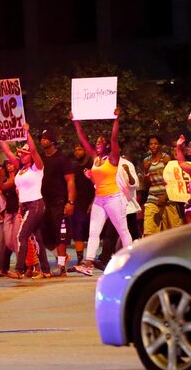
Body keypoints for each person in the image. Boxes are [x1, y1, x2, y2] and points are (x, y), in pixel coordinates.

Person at [72, 109, 133, 276]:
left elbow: (114, 138)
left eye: (100, 142)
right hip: (99, 198)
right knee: (93, 231)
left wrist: (116, 119)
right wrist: (76, 121)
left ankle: (131, 261)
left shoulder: (113, 158)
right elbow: (83, 139)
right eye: (96, 142)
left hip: (114, 198)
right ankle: (89, 263)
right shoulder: (95, 158)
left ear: (106, 145)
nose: (97, 143)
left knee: (123, 230)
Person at [0, 124, 51, 279]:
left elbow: (34, 150)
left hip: (35, 205)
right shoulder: (20, 169)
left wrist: (27, 132)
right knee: (37, 238)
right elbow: (7, 151)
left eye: (24, 154)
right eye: (20, 154)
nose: (21, 156)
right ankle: (45, 270)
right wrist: (0, 134)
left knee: (21, 236)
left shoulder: (37, 168)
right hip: (26, 206)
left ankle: (19, 270)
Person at [38, 129, 76, 276]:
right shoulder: (41, 159)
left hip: (60, 201)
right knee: (43, 235)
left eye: (45, 138)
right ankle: (62, 258)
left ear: (52, 141)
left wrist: (70, 201)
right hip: (44, 202)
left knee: (61, 235)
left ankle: (61, 267)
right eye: (41, 138)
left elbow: (70, 181)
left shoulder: (62, 159)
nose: (42, 140)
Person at [142, 135, 182, 235]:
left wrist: (165, 196)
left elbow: (172, 179)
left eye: (155, 143)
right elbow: (147, 185)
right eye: (151, 144)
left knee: (172, 230)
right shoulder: (146, 161)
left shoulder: (166, 158)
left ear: (159, 145)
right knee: (149, 231)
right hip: (152, 197)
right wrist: (146, 171)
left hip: (167, 197)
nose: (153, 146)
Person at [0, 159, 21, 276]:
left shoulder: (19, 178)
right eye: (7, 164)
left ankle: (20, 267)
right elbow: (1, 189)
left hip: (18, 211)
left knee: (17, 239)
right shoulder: (5, 181)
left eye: (11, 164)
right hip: (8, 212)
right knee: (8, 241)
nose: (9, 166)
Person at [70, 142, 95, 267]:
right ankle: (80, 259)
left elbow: (98, 185)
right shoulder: (74, 166)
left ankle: (98, 258)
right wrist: (71, 202)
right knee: (78, 230)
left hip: (95, 200)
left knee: (94, 231)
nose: (77, 152)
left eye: (80, 149)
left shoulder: (92, 164)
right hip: (79, 202)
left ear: (85, 150)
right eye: (75, 149)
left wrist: (93, 202)